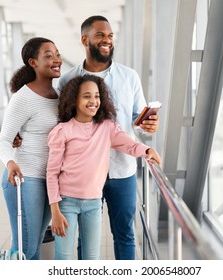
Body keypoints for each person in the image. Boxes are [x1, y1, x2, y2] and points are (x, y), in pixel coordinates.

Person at [56, 15, 159, 260]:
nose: (107, 40)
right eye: (100, 35)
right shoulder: (67, 80)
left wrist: (149, 127)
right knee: (85, 238)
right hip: (83, 173)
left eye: (110, 36)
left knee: (124, 233)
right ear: (85, 39)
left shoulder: (129, 77)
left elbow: (139, 121)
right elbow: (58, 124)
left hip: (121, 170)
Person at [46, 74, 161, 260]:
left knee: (92, 257)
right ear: (73, 100)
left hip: (93, 202)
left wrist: (148, 150)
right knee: (64, 256)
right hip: (66, 202)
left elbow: (129, 145)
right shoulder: (62, 131)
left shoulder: (107, 127)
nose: (93, 101)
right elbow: (51, 173)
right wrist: (55, 211)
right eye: (86, 96)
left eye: (97, 96)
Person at [0, 37, 62, 260]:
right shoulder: (23, 98)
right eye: (49, 56)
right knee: (26, 249)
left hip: (50, 179)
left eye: (57, 54)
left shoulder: (60, 96)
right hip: (25, 178)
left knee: (35, 247)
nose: (56, 60)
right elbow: (4, 140)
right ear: (33, 62)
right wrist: (10, 162)